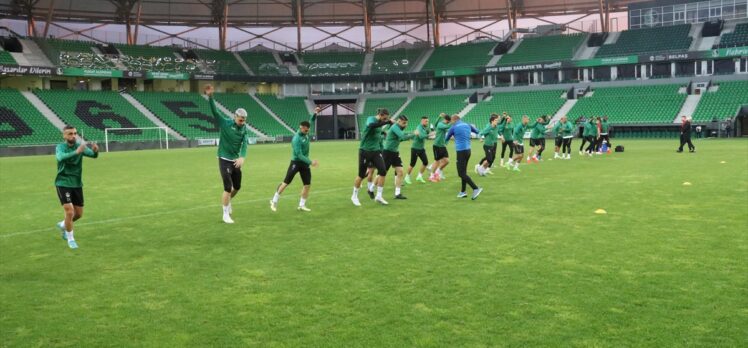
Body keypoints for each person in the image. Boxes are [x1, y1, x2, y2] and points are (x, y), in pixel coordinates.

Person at [206, 84, 250, 224]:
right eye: (240, 119)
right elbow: (215, 112)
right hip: (224, 159)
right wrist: (211, 97)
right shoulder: (225, 123)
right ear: (235, 116)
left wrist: (242, 157)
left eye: (244, 120)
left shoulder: (244, 129)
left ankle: (229, 201)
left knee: (237, 187)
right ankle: (225, 214)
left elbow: (245, 143)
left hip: (235, 160)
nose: (242, 122)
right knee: (227, 187)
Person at [54, 126, 99, 249]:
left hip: (77, 183)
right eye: (70, 134)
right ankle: (70, 239)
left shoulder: (79, 146)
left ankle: (64, 224)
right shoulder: (60, 147)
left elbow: (93, 156)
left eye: (74, 133)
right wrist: (77, 152)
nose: (73, 136)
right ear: (64, 135)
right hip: (63, 183)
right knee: (70, 211)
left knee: (78, 214)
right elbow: (60, 157)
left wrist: (95, 151)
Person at [270, 107, 320, 212]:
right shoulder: (296, 138)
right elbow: (299, 155)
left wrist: (315, 113)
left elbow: (311, 120)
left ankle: (301, 205)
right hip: (296, 163)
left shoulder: (306, 132)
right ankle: (274, 201)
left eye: (308, 129)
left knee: (307, 185)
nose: (307, 131)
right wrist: (311, 162)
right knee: (286, 182)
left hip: (304, 164)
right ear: (301, 128)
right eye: (305, 130)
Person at [352, 108, 393, 206]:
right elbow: (371, 125)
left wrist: (388, 125)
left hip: (376, 151)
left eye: (386, 118)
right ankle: (354, 196)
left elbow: (378, 132)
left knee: (383, 171)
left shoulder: (380, 123)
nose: (385, 120)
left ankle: (379, 196)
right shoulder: (371, 119)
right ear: (380, 115)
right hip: (365, 151)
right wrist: (386, 122)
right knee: (361, 175)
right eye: (384, 118)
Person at [445, 115, 483, 200]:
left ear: (454, 120)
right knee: (464, 172)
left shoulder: (453, 127)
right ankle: (463, 192)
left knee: (461, 173)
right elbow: (478, 132)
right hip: (468, 150)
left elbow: (446, 138)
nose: (451, 122)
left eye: (451, 121)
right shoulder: (467, 124)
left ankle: (476, 188)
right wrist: (480, 137)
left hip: (461, 151)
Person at [383, 115, 417, 199]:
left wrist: (410, 134)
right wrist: (413, 134)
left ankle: (397, 194)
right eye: (404, 123)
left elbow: (401, 137)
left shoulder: (398, 128)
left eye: (406, 123)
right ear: (399, 121)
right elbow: (403, 137)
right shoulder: (395, 127)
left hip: (395, 152)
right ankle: (372, 188)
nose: (405, 125)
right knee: (382, 173)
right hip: (388, 152)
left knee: (400, 172)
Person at [405, 116, 431, 184]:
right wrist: (429, 135)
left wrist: (429, 132)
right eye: (426, 121)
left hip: (421, 149)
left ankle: (419, 176)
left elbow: (427, 133)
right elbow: (421, 136)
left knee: (425, 162)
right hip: (415, 149)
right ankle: (407, 177)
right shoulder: (419, 127)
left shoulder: (425, 127)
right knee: (412, 164)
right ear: (422, 121)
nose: (427, 122)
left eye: (427, 121)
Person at [429, 113, 452, 182]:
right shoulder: (441, 124)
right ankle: (431, 176)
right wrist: (452, 122)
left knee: (447, 161)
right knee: (437, 161)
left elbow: (446, 127)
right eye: (447, 121)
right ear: (445, 120)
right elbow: (446, 127)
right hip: (437, 145)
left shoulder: (443, 124)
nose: (448, 123)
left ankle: (437, 172)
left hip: (442, 146)